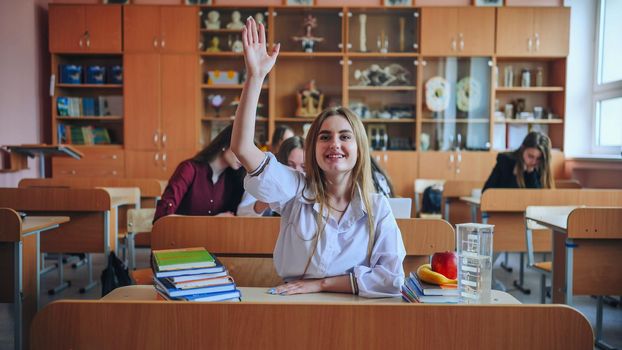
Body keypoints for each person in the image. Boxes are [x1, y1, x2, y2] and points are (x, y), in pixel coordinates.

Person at [231, 17, 405, 298]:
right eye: (324, 137)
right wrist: (255, 77)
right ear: (313, 147)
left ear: (359, 149)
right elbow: (243, 148)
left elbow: (392, 279)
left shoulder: (377, 207)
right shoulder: (295, 189)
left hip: (355, 310)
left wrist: (322, 284)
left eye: (345, 137)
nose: (334, 144)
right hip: (294, 305)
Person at [154, 125, 245, 222]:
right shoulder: (189, 169)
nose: (243, 157)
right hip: (181, 235)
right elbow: (162, 218)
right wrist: (212, 221)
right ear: (226, 145)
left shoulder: (233, 180)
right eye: (241, 149)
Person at [237, 136, 305, 217]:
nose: (297, 170)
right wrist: (266, 201)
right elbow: (241, 213)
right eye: (291, 165)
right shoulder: (265, 178)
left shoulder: (311, 185)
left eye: (303, 166)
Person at [483, 131, 555, 192]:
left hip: (530, 208)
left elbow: (537, 198)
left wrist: (531, 173)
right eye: (530, 156)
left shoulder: (541, 165)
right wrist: (515, 175)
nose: (534, 161)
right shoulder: (505, 161)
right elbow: (486, 192)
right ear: (522, 149)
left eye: (538, 158)